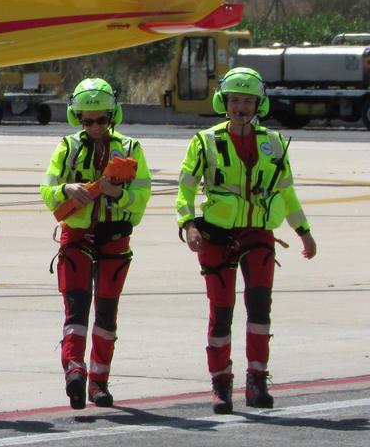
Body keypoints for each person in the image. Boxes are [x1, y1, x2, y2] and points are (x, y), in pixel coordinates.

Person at [175, 67, 317, 414]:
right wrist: (188, 224)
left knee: (259, 310)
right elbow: (185, 189)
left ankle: (257, 381)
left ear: (259, 104)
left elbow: (287, 194)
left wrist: (304, 232)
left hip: (259, 237)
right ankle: (220, 384)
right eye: (235, 100)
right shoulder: (204, 141)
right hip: (216, 237)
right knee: (220, 313)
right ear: (223, 102)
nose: (241, 107)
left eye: (248, 101)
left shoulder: (275, 143)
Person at [40, 78, 151, 409]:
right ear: (78, 119)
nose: (95, 126)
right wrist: (65, 191)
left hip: (115, 238)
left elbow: (142, 199)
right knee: (75, 310)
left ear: (112, 115)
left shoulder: (131, 149)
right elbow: (47, 190)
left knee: (106, 313)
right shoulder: (67, 147)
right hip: (76, 238)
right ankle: (75, 370)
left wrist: (121, 194)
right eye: (87, 120)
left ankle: (99, 382)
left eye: (101, 119)